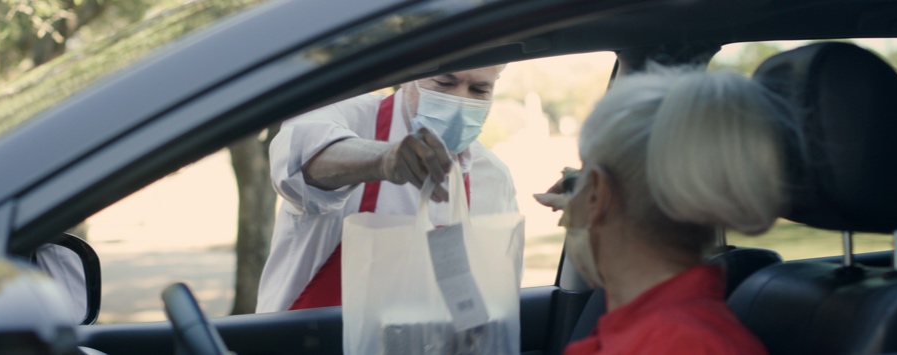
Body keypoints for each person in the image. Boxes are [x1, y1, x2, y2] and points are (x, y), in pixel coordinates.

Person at [535, 68, 798, 354]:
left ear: (597, 193)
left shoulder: (677, 343)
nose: (570, 191)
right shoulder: (667, 328)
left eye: (582, 174)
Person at [257, 65, 519, 313]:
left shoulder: (493, 177)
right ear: (407, 77)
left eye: (479, 90)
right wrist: (384, 159)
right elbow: (296, 164)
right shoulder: (346, 118)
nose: (460, 103)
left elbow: (489, 295)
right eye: (444, 82)